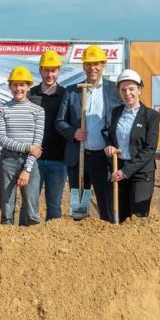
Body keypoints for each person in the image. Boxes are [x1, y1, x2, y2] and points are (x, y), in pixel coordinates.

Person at [55, 44, 121, 221]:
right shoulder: (72, 91)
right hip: (78, 158)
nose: (93, 68)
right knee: (79, 209)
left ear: (103, 65)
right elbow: (59, 122)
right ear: (83, 66)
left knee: (106, 206)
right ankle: (80, 234)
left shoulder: (114, 90)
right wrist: (73, 132)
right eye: (88, 64)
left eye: (96, 64)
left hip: (102, 158)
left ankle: (108, 232)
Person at [103, 69, 160, 222]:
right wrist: (110, 146)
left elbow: (149, 149)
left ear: (139, 90)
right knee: (120, 218)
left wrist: (126, 171)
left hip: (141, 174)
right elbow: (110, 136)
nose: (127, 93)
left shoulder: (151, 116)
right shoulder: (116, 112)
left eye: (131, 89)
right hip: (118, 168)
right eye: (123, 90)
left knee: (137, 219)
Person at [0, 66, 45, 226]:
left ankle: (31, 240)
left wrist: (27, 169)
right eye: (15, 85)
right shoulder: (1, 109)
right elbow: (2, 139)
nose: (18, 89)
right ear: (10, 86)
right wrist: (27, 147)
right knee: (6, 210)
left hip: (30, 162)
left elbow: (37, 144)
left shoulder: (38, 111)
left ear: (29, 86)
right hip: (7, 161)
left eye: (22, 84)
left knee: (32, 211)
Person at [28, 50, 68, 221]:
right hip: (33, 159)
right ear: (40, 70)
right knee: (30, 204)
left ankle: (54, 236)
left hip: (58, 160)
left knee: (54, 205)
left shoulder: (66, 95)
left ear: (59, 71)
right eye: (46, 70)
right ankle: (25, 234)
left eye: (53, 70)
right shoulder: (31, 94)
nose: (50, 74)